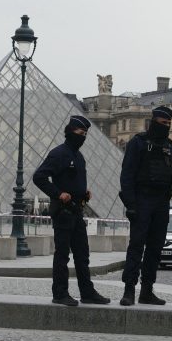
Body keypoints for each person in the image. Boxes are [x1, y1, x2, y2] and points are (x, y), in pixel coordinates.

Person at [32, 115, 112, 307]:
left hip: (77, 210)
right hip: (63, 211)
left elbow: (73, 181)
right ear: (69, 132)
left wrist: (84, 193)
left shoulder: (79, 157)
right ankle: (60, 293)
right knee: (62, 255)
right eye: (80, 132)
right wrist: (58, 193)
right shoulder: (58, 153)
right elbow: (39, 177)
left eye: (85, 134)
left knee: (82, 255)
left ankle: (87, 292)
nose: (83, 137)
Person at [119, 106, 172, 306]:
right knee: (136, 246)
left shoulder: (171, 148)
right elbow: (127, 175)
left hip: (161, 203)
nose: (166, 126)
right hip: (142, 200)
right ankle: (129, 290)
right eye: (163, 123)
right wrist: (131, 204)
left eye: (169, 124)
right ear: (154, 121)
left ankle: (147, 290)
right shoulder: (138, 143)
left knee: (155, 249)